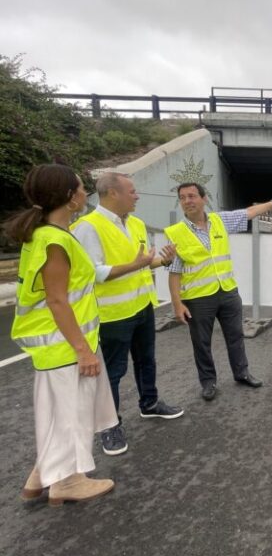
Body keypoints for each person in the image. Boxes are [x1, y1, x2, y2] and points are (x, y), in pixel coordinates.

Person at [7, 164, 116, 506]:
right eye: (82, 188)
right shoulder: (54, 240)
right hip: (65, 343)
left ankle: (41, 477)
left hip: (55, 343)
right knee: (73, 414)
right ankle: (67, 482)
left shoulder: (42, 234)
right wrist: (84, 350)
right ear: (70, 198)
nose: (86, 194)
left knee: (59, 413)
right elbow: (57, 300)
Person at [71, 171, 184, 456]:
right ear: (112, 194)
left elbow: (142, 264)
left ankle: (150, 404)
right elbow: (94, 274)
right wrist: (138, 264)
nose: (137, 196)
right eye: (132, 191)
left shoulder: (134, 223)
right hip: (112, 314)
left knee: (147, 360)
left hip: (142, 306)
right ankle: (110, 425)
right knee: (113, 372)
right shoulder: (88, 227)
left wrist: (162, 260)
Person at [164, 183, 272, 401]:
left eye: (192, 196)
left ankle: (241, 373)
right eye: (183, 197)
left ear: (204, 199)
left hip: (228, 292)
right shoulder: (175, 233)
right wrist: (177, 304)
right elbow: (174, 272)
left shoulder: (219, 221)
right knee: (201, 343)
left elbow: (249, 212)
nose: (187, 201)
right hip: (197, 298)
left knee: (235, 336)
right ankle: (208, 382)